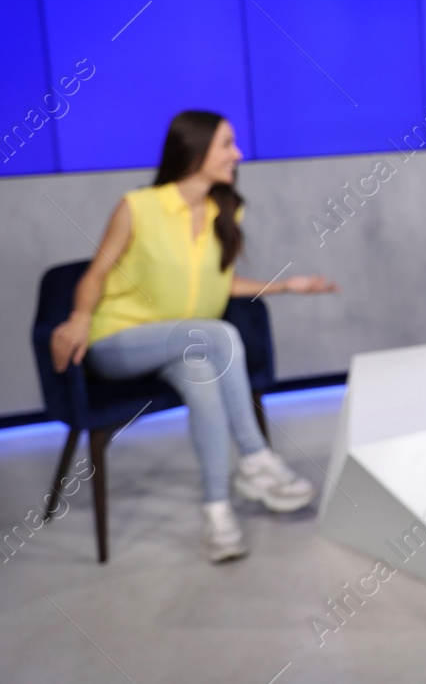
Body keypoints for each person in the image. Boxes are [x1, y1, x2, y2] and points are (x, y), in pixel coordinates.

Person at [49, 110, 338, 563]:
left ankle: (217, 512)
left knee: (204, 376)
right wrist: (81, 316)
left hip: (188, 344)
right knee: (219, 336)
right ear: (195, 148)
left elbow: (218, 284)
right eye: (227, 144)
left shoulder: (227, 209)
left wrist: (286, 286)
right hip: (120, 341)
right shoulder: (139, 207)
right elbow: (96, 273)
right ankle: (256, 458)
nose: (237, 154)